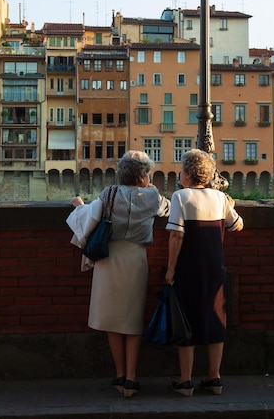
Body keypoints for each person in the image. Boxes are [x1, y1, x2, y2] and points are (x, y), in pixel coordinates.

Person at [68, 150, 170, 397]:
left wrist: (80, 205)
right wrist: (151, 189)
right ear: (144, 175)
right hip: (136, 259)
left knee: (113, 321)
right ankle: (132, 379)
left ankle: (120, 374)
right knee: (132, 321)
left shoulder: (109, 193)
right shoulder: (153, 196)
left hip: (109, 259)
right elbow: (168, 211)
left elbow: (88, 217)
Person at [165, 149, 244, 397]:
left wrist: (170, 270)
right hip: (215, 267)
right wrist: (229, 204)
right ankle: (214, 378)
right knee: (216, 319)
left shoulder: (180, 196)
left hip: (189, 268)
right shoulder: (220, 198)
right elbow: (237, 225)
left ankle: (186, 381)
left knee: (186, 321)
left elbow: (177, 234)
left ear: (187, 174)